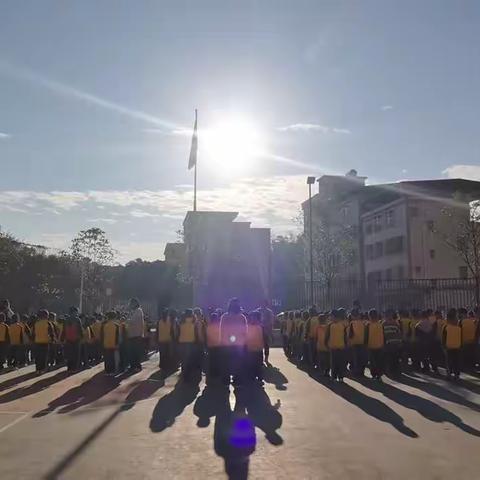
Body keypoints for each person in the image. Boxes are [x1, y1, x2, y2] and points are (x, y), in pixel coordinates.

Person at [220, 298, 248, 386]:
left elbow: (222, 330)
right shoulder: (242, 317)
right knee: (238, 362)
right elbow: (245, 331)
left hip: (227, 343)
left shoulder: (224, 317)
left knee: (226, 362)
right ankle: (237, 380)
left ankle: (225, 380)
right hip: (239, 343)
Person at [325, 309, 348, 382]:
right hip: (339, 347)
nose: (330, 318)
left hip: (335, 347)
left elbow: (327, 336)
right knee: (339, 363)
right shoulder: (342, 325)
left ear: (334, 317)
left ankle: (336, 377)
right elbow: (345, 337)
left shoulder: (330, 325)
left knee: (335, 363)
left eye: (331, 316)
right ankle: (339, 377)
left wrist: (326, 344)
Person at [178, 308, 198, 381]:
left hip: (182, 341)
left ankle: (184, 374)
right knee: (190, 359)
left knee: (183, 359)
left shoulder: (181, 321)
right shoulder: (194, 322)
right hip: (191, 342)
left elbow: (178, 332)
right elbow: (196, 333)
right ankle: (188, 374)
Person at [61, 307, 84, 373]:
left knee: (69, 354)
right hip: (76, 339)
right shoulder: (78, 320)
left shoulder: (66, 320)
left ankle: (69, 368)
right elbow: (80, 330)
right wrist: (82, 337)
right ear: (74, 312)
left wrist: (62, 339)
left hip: (68, 339)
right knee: (76, 355)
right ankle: (74, 368)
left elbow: (63, 330)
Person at [442, 308, 462, 380]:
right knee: (455, 361)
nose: (456, 320)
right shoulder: (458, 327)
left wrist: (443, 346)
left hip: (449, 347)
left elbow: (443, 338)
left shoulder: (446, 327)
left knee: (450, 361)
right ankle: (455, 375)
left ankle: (449, 374)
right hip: (456, 347)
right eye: (455, 319)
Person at [365, 309, 384, 381]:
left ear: (369, 317)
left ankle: (374, 375)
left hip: (371, 346)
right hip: (380, 346)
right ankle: (379, 375)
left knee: (372, 362)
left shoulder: (368, 325)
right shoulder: (380, 324)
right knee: (379, 361)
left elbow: (366, 336)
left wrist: (365, 344)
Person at [126, 298, 145, 372]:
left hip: (136, 335)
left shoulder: (138, 311)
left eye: (130, 304)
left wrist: (126, 320)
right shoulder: (135, 311)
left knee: (135, 351)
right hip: (133, 334)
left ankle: (137, 366)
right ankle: (133, 366)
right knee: (132, 351)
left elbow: (132, 321)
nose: (129, 305)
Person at [33, 309, 55, 374]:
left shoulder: (36, 323)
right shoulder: (48, 323)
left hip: (37, 342)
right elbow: (51, 333)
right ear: (46, 316)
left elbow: (33, 333)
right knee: (44, 356)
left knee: (38, 356)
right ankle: (42, 369)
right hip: (45, 342)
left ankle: (37, 369)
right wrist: (53, 340)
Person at [382, 310, 403, 377]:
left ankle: (390, 371)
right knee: (395, 357)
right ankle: (396, 371)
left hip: (388, 343)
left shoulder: (383, 324)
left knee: (389, 358)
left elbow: (382, 335)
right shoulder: (395, 323)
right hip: (396, 343)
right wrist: (400, 342)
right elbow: (399, 333)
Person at [246, 310, 264, 383]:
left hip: (258, 349)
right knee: (251, 364)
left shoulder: (260, 326)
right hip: (250, 349)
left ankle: (259, 377)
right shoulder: (249, 326)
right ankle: (252, 377)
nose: (252, 318)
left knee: (258, 364)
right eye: (252, 317)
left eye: (254, 317)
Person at [348, 308, 366, 377]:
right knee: (362, 358)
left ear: (352, 316)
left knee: (356, 358)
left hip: (354, 343)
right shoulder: (363, 323)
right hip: (362, 343)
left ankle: (356, 372)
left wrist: (349, 342)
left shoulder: (352, 323)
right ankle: (362, 371)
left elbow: (350, 334)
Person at [101, 311, 120, 375]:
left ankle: (107, 371)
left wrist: (102, 343)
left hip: (106, 344)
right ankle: (112, 371)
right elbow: (118, 336)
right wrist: (117, 344)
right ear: (114, 317)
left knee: (107, 359)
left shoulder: (104, 325)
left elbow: (102, 335)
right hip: (114, 344)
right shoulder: (116, 325)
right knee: (112, 359)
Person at [206, 311, 222, 384]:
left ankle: (211, 374)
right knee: (218, 360)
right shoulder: (219, 326)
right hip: (218, 345)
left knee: (211, 360)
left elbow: (207, 336)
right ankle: (217, 373)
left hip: (210, 345)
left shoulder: (208, 326)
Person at [259, 300, 274, 365]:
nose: (262, 305)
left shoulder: (269, 312)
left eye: (264, 303)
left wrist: (270, 331)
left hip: (266, 331)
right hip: (259, 331)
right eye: (262, 303)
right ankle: (260, 359)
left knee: (266, 345)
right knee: (259, 346)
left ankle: (266, 359)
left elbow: (271, 322)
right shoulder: (258, 311)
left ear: (266, 304)